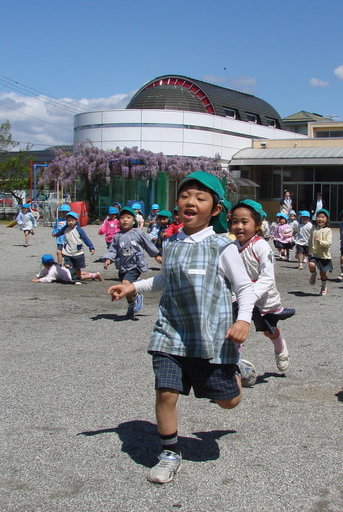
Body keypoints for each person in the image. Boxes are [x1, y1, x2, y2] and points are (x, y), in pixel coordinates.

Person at [106, 171, 257, 485]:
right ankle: (170, 453)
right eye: (185, 196)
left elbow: (245, 289)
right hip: (170, 332)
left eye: (201, 198)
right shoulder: (170, 242)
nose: (191, 202)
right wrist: (132, 287)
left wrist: (243, 320)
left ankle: (237, 369)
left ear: (215, 210)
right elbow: (164, 280)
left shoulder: (222, 246)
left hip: (212, 338)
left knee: (228, 402)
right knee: (166, 393)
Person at [230, 199, 295, 373]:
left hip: (263, 297)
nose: (239, 226)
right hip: (238, 295)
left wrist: (251, 295)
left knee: (269, 330)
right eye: (235, 222)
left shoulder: (261, 246)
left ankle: (280, 347)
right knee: (235, 327)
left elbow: (267, 277)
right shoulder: (232, 246)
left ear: (257, 224)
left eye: (245, 222)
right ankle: (234, 362)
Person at [101, 206, 162, 319]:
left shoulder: (138, 232)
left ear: (133, 220)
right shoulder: (117, 236)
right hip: (123, 266)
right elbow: (113, 249)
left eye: (128, 217)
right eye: (122, 217)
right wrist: (108, 259)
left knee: (125, 284)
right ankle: (132, 304)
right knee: (126, 289)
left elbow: (148, 244)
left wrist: (156, 255)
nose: (125, 220)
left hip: (135, 265)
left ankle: (136, 297)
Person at [51, 211, 101, 282]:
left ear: (76, 221)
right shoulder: (65, 228)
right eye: (68, 221)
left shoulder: (79, 229)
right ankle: (68, 266)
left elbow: (85, 238)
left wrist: (91, 247)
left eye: (72, 221)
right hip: (68, 251)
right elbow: (59, 232)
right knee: (67, 263)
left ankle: (78, 279)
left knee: (78, 268)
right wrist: (55, 234)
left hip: (78, 252)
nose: (70, 222)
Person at [308, 209, 333, 295]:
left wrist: (320, 242)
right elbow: (310, 240)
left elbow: (328, 243)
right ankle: (314, 273)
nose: (320, 219)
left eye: (323, 217)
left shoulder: (328, 230)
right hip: (314, 254)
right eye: (318, 217)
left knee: (323, 274)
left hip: (324, 255)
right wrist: (309, 249)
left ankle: (323, 286)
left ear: (327, 219)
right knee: (311, 265)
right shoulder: (313, 229)